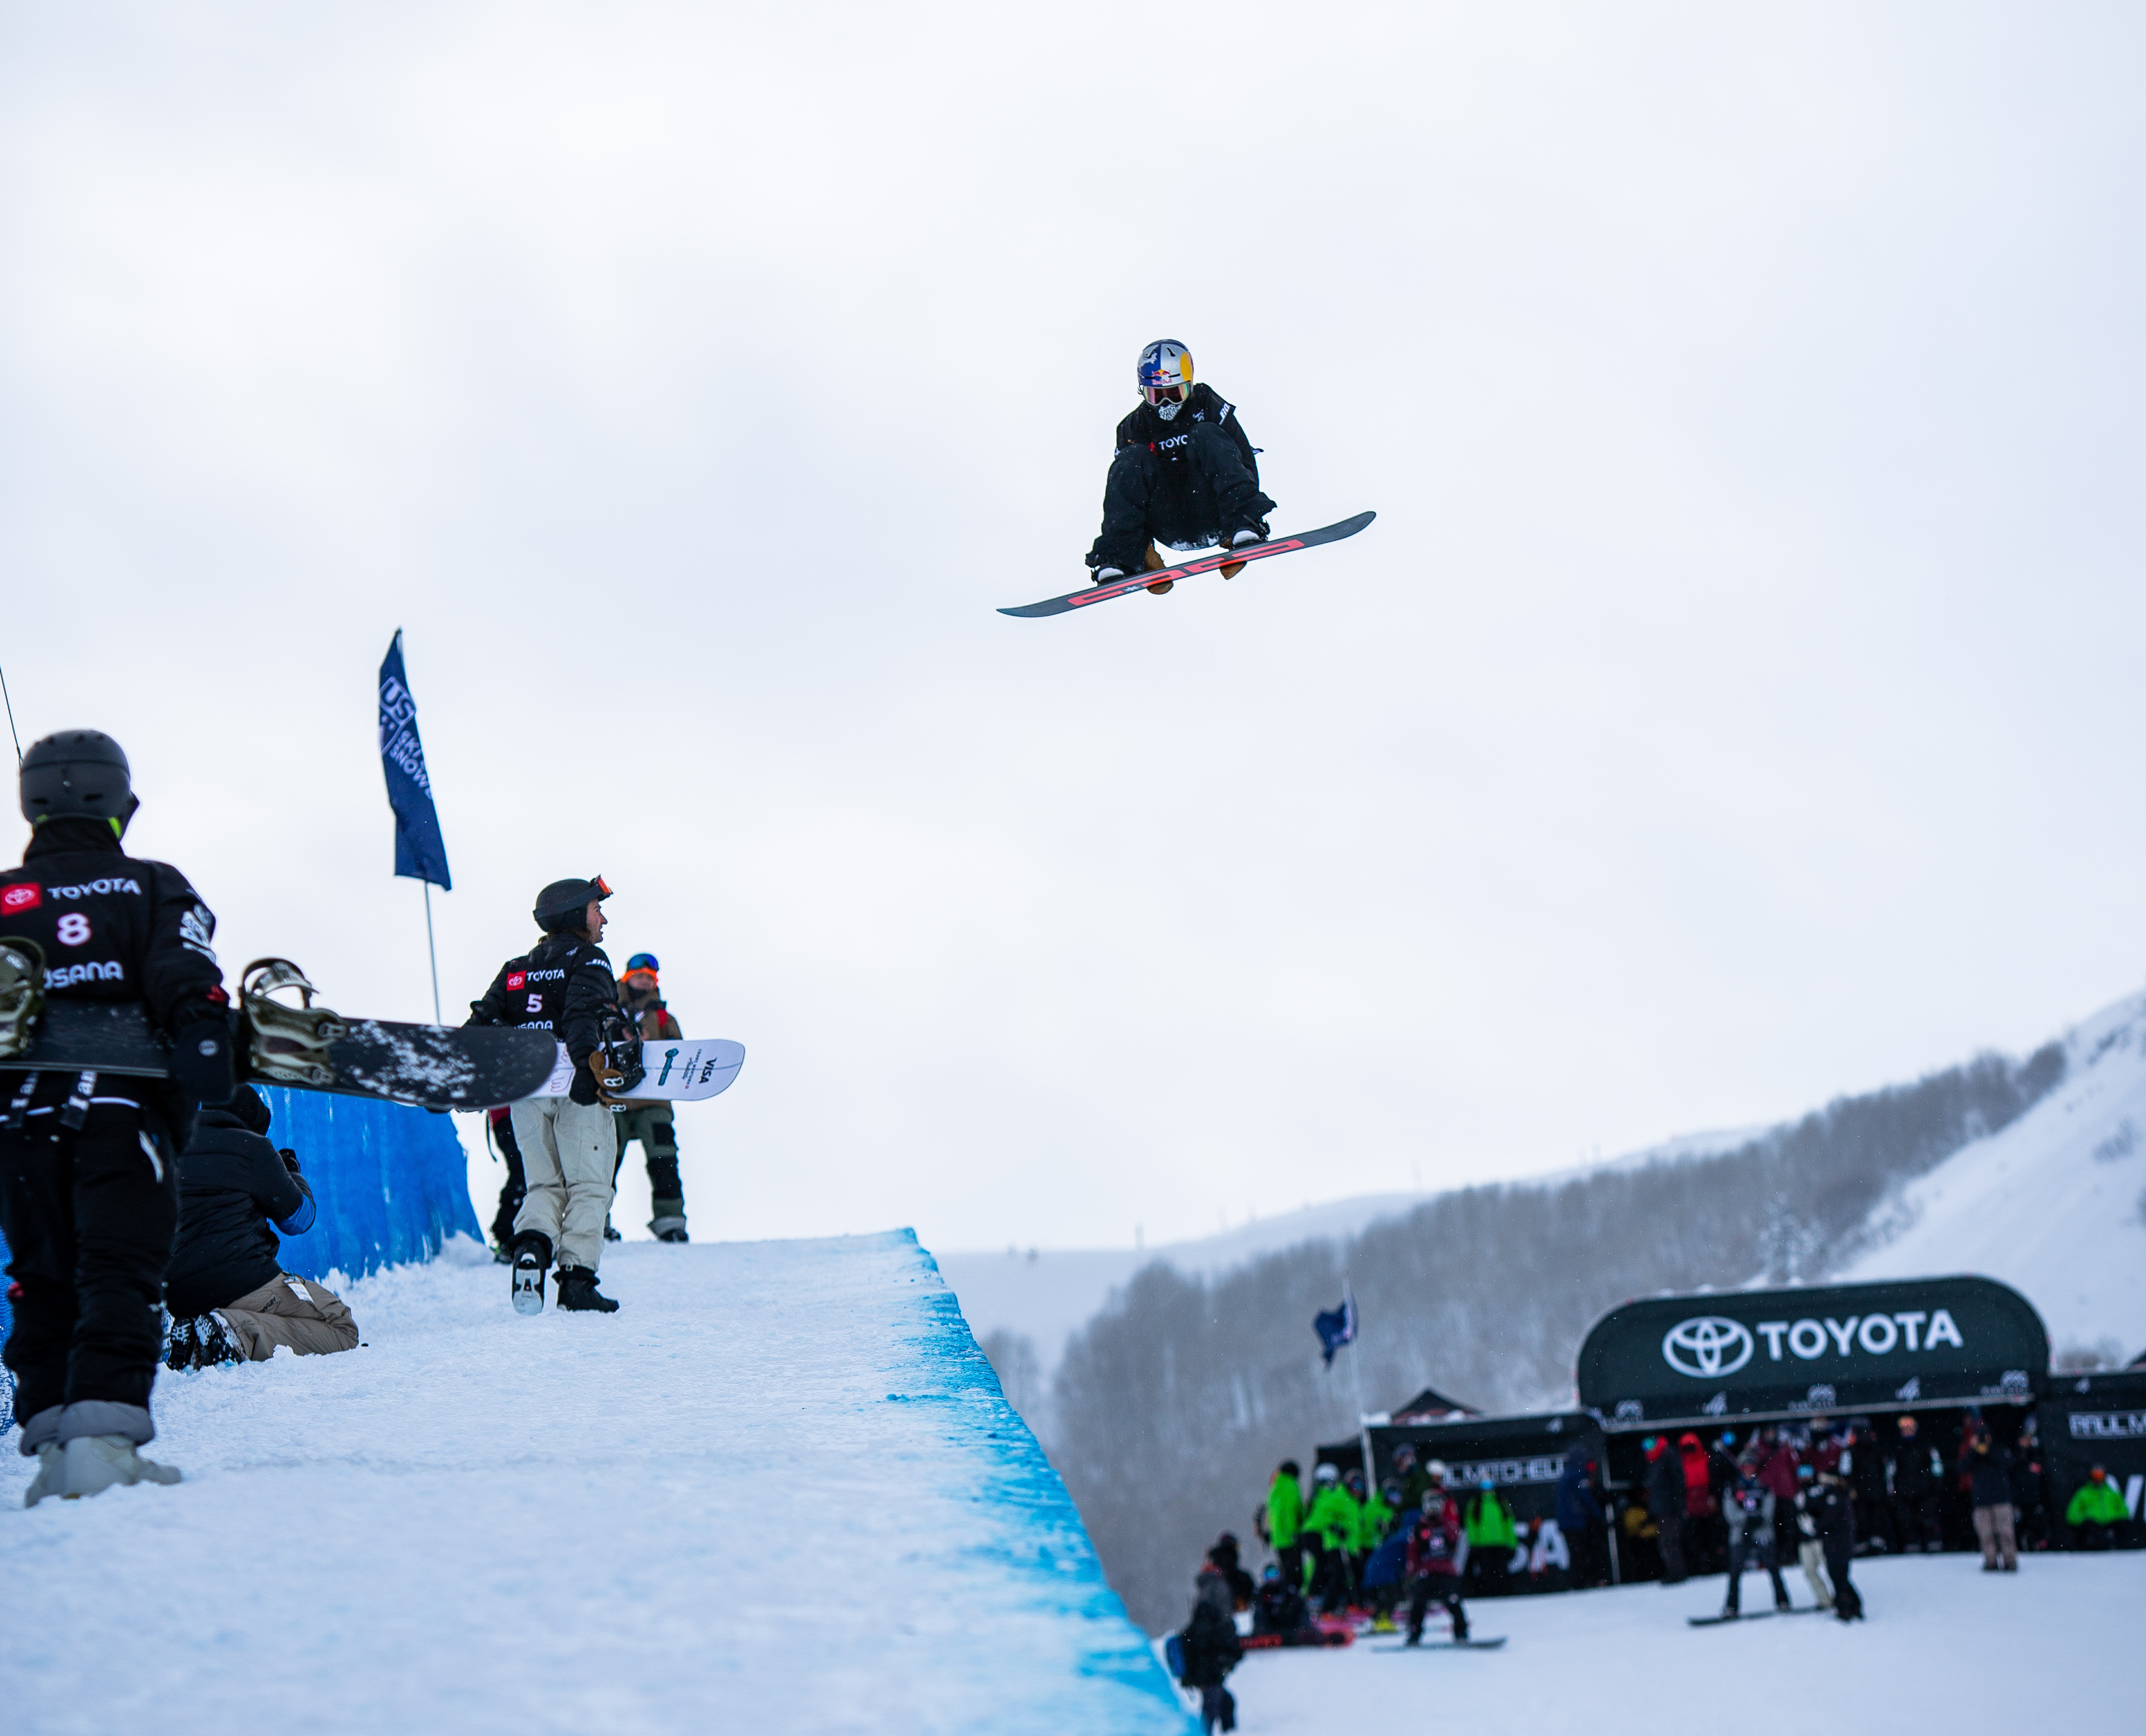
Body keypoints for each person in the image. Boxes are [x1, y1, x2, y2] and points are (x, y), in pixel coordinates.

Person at [0, 731, 236, 1505]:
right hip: (121, 1114)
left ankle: (52, 1451)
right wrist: (203, 1025)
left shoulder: (4, 895)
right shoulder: (151, 885)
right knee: (118, 1270)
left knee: (39, 1277)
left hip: (19, 1122)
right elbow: (183, 965)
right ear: (123, 806)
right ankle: (102, 1447)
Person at [467, 875, 629, 1313]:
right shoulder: (590, 958)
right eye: (598, 910)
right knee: (590, 1186)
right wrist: (583, 1068)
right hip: (576, 1088)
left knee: (542, 1183)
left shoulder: (516, 968)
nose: (604, 919)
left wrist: (453, 1079)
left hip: (526, 1091)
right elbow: (581, 1017)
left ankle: (532, 1249)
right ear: (577, 913)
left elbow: (480, 1026)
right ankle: (577, 1282)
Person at [162, 1085, 358, 1365]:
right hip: (243, 1283)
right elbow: (298, 1220)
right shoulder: (253, 1148)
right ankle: (236, 1331)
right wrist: (292, 1173)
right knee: (341, 1326)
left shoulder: (171, 1149)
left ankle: (193, 1339)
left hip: (180, 1297)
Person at [1085, 339, 1277, 592]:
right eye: (1156, 396)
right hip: (1169, 519)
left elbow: (1242, 460)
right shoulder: (1133, 428)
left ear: (1189, 386)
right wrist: (1146, 550)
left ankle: (1244, 525)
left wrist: (1245, 516)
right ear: (1143, 392)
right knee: (1131, 459)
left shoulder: (1208, 406)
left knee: (1206, 434)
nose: (1167, 404)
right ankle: (1120, 558)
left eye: (1175, 394)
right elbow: (1126, 493)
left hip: (1213, 509)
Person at [611, 954, 690, 1241]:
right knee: (603, 1165)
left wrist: (652, 1044)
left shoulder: (662, 1018)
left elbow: (680, 1056)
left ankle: (670, 1222)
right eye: (639, 975)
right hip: (613, 1099)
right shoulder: (608, 1009)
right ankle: (594, 1222)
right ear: (627, 977)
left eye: (649, 977)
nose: (644, 982)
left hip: (654, 1102)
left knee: (664, 1159)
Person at [1175, 1554, 1241, 1735]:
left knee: (1225, 1702)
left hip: (1201, 1664)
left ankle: (1230, 1732)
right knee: (1214, 1703)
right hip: (1207, 1665)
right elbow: (1222, 1624)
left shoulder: (1203, 1594)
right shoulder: (1217, 1588)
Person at [1720, 1457, 1793, 1619]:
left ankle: (1783, 1601)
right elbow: (1730, 1513)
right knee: (1735, 1572)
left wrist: (1758, 1518)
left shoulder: (1764, 1488)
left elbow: (1769, 1511)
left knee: (1773, 1567)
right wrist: (1748, 1519)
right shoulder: (1732, 1489)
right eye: (1745, 1466)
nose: (1748, 1470)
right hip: (1740, 1535)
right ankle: (1731, 1607)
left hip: (1763, 1533)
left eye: (1751, 1466)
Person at [1402, 1486, 1470, 1644]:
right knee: (1418, 1603)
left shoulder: (1448, 1526)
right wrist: (1411, 1573)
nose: (1433, 1509)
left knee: (1453, 1601)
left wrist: (1456, 1570)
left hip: (1446, 1572)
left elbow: (1459, 1543)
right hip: (1426, 1573)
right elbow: (1412, 1553)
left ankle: (1461, 1633)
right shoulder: (1418, 1529)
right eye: (1430, 1505)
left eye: (1437, 1505)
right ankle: (1414, 1634)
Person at [1806, 1458, 1864, 1622]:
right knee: (1839, 1575)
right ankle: (1852, 1605)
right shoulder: (1832, 1495)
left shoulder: (1836, 1495)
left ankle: (1847, 1606)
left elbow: (1828, 1519)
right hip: (1835, 1542)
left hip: (1838, 1543)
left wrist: (1814, 1526)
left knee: (1838, 1575)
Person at [1302, 1462, 1360, 1612]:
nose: (1330, 1485)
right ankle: (1317, 1597)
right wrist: (1334, 1526)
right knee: (1326, 1565)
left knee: (1328, 1566)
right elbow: (1325, 1515)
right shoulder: (1329, 1495)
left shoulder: (1324, 1495)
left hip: (1320, 1533)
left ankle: (1323, 1597)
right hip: (1316, 1532)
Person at [1965, 1426, 2019, 1572]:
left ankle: (2010, 1561)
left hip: (2001, 1499)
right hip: (1981, 1501)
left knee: (2006, 1533)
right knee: (1985, 1534)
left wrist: (1988, 1450)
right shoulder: (1973, 1453)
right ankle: (1991, 1562)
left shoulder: (1999, 1450)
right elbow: (1963, 1468)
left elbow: (2008, 1463)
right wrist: (1973, 1450)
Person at [1888, 1415, 1944, 1553]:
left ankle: (1933, 1542)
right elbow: (1891, 1472)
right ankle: (1912, 1545)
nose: (1907, 1432)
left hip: (1926, 1492)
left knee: (1929, 1519)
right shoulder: (1897, 1450)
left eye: (1910, 1429)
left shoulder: (1927, 1446)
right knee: (1907, 1520)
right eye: (1904, 1430)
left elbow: (1937, 1467)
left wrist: (1936, 1486)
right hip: (1905, 1493)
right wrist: (1894, 1490)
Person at [1556, 1444, 1607, 1588]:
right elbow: (1586, 1499)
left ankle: (1578, 1583)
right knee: (1581, 1555)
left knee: (1577, 1554)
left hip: (1569, 1523)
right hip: (1575, 1523)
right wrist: (1599, 1515)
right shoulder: (1576, 1475)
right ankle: (1580, 1584)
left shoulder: (1568, 1475)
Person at [482, 1104, 526, 1261]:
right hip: (511, 1117)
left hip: (508, 1116)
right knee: (523, 1175)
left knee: (524, 1175)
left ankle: (508, 1236)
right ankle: (506, 1237)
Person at [1645, 1436, 1688, 1584]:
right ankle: (1673, 1571)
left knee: (1670, 1541)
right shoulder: (1659, 1458)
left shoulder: (1667, 1456)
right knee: (1666, 1541)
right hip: (1663, 1508)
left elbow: (1678, 1482)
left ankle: (1677, 1573)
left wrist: (1677, 1505)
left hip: (1669, 1508)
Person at [1789, 1464, 1834, 1610]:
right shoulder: (1799, 1494)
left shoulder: (1820, 1490)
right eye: (1802, 1475)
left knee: (1830, 1569)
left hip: (1821, 1537)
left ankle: (1839, 1596)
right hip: (1805, 1539)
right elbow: (1795, 1515)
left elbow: (1825, 1511)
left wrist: (1816, 1523)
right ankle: (1824, 1599)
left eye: (1808, 1474)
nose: (1805, 1478)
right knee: (1809, 1570)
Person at [1463, 1477, 1517, 1595]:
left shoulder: (1500, 1501)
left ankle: (1502, 1593)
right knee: (1486, 1572)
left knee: (1501, 1571)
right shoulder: (1475, 1502)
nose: (1487, 1491)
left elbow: (1509, 1522)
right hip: (1483, 1544)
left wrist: (1512, 1542)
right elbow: (1471, 1525)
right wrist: (1474, 1543)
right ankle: (1488, 1593)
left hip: (1500, 1542)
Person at [1845, 1418, 1891, 1553]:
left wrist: (1887, 1489)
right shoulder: (1851, 1451)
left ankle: (1877, 1544)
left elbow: (1887, 1471)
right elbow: (1847, 1473)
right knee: (1861, 1519)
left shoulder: (1879, 1450)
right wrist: (1851, 1489)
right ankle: (1861, 1545)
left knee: (1877, 1518)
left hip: (1876, 1491)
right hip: (1860, 1493)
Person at [1264, 1459, 1307, 1592]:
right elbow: (1292, 1512)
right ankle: (1293, 1598)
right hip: (1290, 1537)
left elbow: (1272, 1514)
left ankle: (1286, 1597)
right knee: (1296, 1572)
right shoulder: (1291, 1486)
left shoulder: (1274, 1489)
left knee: (1287, 1570)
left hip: (1278, 1538)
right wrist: (1296, 1531)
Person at [2064, 1465, 2128, 1549]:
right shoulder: (2083, 1493)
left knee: (2125, 1525)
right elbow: (2071, 1515)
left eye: (2100, 1475)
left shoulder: (2112, 1492)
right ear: (2091, 1476)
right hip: (2093, 1525)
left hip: (2111, 1523)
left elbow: (2124, 1512)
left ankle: (2124, 1548)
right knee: (2091, 1528)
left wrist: (2115, 1518)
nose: (2098, 1478)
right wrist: (2085, 1520)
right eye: (2096, 1475)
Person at [2009, 1427, 2048, 1552]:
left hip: (2034, 1500)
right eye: (2024, 1439)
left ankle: (2037, 1547)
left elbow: (2043, 1480)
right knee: (2018, 1527)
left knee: (2037, 1525)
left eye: (2029, 1439)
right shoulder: (2013, 1456)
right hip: (2018, 1500)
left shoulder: (2037, 1456)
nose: (2026, 1441)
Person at [1251, 1562, 1310, 1637]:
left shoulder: (1288, 1590)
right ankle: (1261, 1635)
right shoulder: (1261, 1592)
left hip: (1289, 1625)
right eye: (1269, 1575)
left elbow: (1299, 1605)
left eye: (1275, 1575)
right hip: (1270, 1626)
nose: (1272, 1579)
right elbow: (1258, 1606)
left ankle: (1303, 1632)